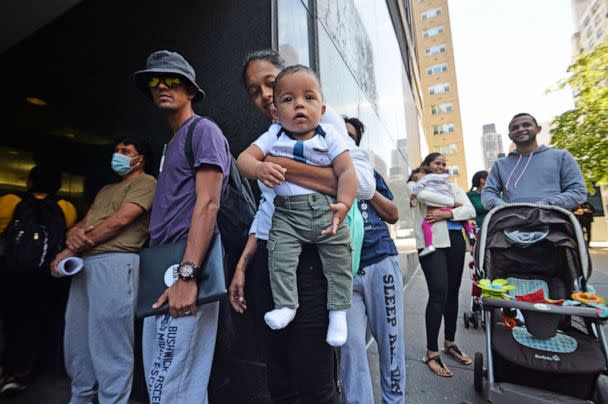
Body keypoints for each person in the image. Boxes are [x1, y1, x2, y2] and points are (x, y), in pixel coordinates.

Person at [229, 49, 376, 403]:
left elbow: (364, 185)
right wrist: (245, 262)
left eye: (269, 82)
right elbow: (268, 207)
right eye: (255, 91)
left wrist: (283, 166)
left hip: (314, 259)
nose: (264, 95)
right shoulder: (271, 134)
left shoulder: (327, 124)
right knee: (279, 375)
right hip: (274, 252)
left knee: (315, 378)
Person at [134, 50, 230, 404]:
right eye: (154, 80)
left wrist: (187, 276)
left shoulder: (202, 131)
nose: (160, 85)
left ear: (190, 90)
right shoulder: (172, 142)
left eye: (171, 79)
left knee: (173, 386)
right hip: (164, 271)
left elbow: (208, 204)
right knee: (167, 382)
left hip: (185, 271)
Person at [237, 65, 357, 346]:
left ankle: (338, 312)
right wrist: (258, 169)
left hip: (327, 211)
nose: (300, 104)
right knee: (279, 259)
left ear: (322, 109)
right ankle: (286, 306)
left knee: (339, 260)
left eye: (309, 98)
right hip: (287, 216)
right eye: (289, 100)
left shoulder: (330, 136)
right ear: (276, 112)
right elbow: (243, 159)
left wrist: (345, 203)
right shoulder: (273, 136)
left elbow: (348, 173)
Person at [50, 137, 155, 404]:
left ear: (139, 158)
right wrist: (73, 235)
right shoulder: (106, 189)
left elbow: (121, 220)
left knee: (111, 343)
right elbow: (85, 223)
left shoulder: (146, 183)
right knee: (78, 340)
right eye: (116, 150)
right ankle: (81, 397)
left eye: (125, 151)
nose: (117, 154)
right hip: (86, 265)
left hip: (117, 262)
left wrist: (74, 247)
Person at [339, 116, 406, 403]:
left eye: (351, 136)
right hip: (343, 272)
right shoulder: (319, 172)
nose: (344, 138)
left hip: (380, 262)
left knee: (391, 344)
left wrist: (365, 185)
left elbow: (393, 214)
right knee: (350, 349)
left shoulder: (369, 172)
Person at [0, 165, 77, 396]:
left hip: (12, 276)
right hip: (48, 278)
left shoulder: (9, 202)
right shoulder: (66, 207)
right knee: (40, 323)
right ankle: (28, 371)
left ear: (30, 182)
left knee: (10, 321)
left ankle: (7, 367)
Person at [406, 152, 475, 377]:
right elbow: (426, 198)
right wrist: (455, 207)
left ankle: (449, 342)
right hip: (431, 244)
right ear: (426, 165)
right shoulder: (416, 183)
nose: (442, 167)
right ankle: (431, 352)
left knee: (453, 292)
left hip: (455, 242)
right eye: (437, 163)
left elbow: (470, 210)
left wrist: (447, 214)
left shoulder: (452, 186)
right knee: (438, 292)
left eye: (445, 164)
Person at [482, 113, 586, 210]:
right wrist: (505, 208)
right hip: (512, 222)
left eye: (526, 125)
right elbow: (488, 193)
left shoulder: (562, 156)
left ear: (538, 129)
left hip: (554, 222)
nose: (521, 129)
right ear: (510, 135)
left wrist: (544, 205)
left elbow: (578, 192)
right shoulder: (499, 164)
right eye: (515, 128)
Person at [409, 169, 475, 256]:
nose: (416, 179)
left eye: (416, 177)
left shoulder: (426, 182)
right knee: (461, 219)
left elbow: (420, 192)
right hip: (448, 211)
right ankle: (470, 233)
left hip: (441, 211)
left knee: (425, 224)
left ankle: (429, 246)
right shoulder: (441, 182)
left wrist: (413, 196)